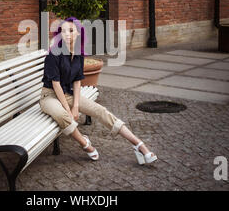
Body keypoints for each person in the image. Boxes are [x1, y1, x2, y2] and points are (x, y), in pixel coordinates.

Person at [39, 16, 157, 164]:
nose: (67, 34)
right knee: (63, 115)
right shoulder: (54, 53)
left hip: (68, 94)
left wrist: (75, 106)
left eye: (70, 30)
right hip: (49, 96)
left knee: (100, 111)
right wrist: (70, 111)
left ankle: (138, 145)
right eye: (63, 31)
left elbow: (76, 81)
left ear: (78, 33)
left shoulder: (78, 53)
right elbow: (55, 84)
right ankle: (85, 144)